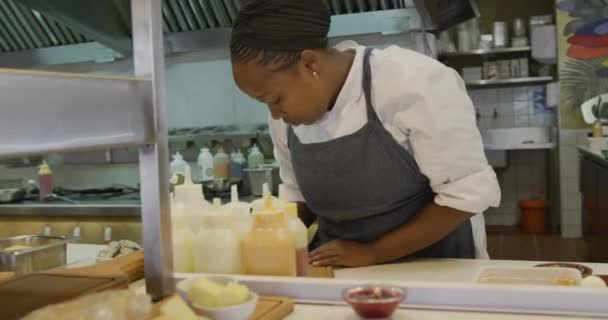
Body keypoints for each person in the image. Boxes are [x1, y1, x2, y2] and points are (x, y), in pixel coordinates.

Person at [230, 0, 501, 267]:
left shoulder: (411, 83)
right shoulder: (285, 118)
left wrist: (373, 253)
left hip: (435, 267)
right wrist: (267, 237)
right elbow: (297, 195)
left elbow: (465, 196)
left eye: (275, 99)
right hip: (343, 272)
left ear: (310, 64)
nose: (275, 114)